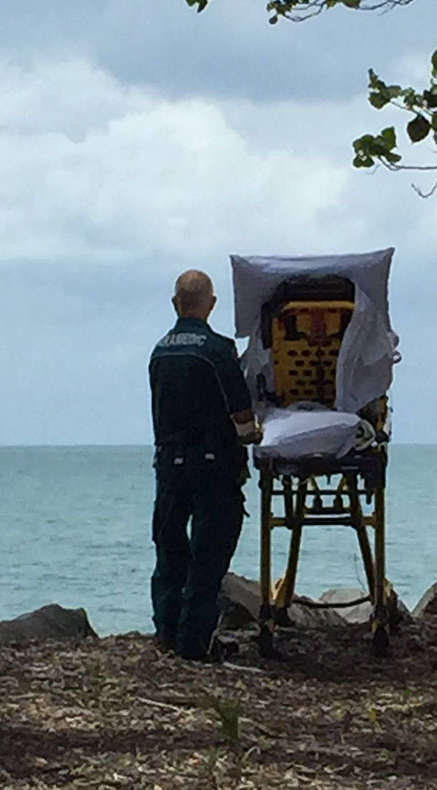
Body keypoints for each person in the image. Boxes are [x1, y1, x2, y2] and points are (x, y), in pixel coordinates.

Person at [149, 270, 259, 660]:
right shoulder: (216, 350)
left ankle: (166, 629)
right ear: (211, 305)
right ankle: (195, 641)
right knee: (208, 553)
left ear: (175, 303)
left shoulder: (160, 352)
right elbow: (241, 411)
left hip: (169, 464)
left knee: (170, 549)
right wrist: (254, 438)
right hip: (213, 467)